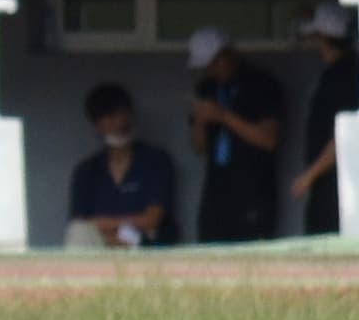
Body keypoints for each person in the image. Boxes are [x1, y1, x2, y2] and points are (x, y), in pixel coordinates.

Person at [185, 22, 286, 246]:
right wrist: (200, 120)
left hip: (252, 188)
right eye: (207, 67)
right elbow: (199, 147)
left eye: (215, 64)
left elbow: (268, 139)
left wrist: (223, 116)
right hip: (216, 189)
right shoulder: (206, 88)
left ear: (229, 55)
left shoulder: (262, 85)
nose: (212, 71)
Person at [66, 81, 177, 251]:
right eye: (110, 117)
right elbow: (80, 224)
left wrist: (103, 223)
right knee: (79, 232)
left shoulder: (155, 160)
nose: (119, 123)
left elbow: (152, 221)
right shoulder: (86, 170)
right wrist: (110, 233)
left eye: (123, 115)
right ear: (97, 125)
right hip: (101, 245)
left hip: (146, 244)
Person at [288, 3, 352, 238]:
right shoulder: (338, 72)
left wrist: (309, 176)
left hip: (336, 185)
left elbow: (343, 135)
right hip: (328, 183)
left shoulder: (343, 76)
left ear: (323, 38)